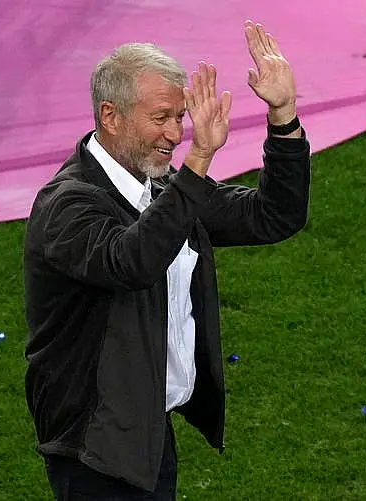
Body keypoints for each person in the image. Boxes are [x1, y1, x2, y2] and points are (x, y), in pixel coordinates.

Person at [23, 19, 311, 500]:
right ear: (110, 116)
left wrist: (283, 115)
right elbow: (131, 261)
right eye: (161, 118)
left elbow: (272, 216)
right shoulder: (67, 205)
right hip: (93, 445)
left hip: (145, 432)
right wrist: (198, 162)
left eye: (180, 117)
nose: (176, 134)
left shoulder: (160, 187)